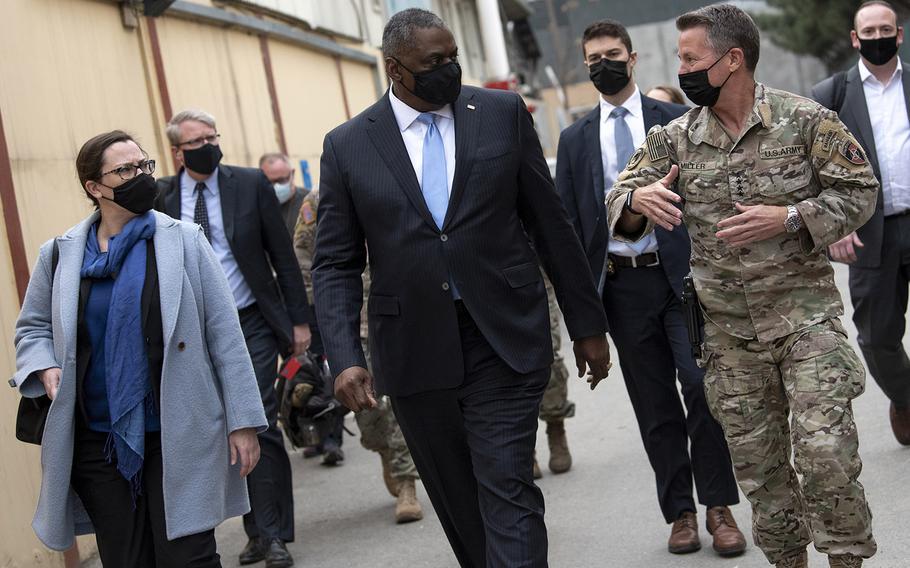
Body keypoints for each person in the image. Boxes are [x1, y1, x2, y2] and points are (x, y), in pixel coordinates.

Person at [312, 8, 610, 567]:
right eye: (435, 62)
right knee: (457, 497)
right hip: (414, 348)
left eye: (454, 57)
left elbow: (550, 223)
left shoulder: (499, 113)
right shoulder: (349, 144)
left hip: (504, 335)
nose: (450, 69)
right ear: (396, 69)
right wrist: (344, 357)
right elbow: (334, 263)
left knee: (507, 486)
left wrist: (588, 324)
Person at [607, 5, 878, 568]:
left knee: (826, 455)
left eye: (690, 58)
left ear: (733, 60)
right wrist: (636, 202)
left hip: (805, 324)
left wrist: (791, 218)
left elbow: (859, 191)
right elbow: (618, 197)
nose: (680, 69)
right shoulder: (674, 139)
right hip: (729, 338)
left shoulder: (805, 120)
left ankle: (847, 559)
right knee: (763, 472)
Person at [12, 130, 267, 566]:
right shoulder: (59, 255)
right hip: (98, 441)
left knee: (189, 556)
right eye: (125, 170)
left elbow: (224, 335)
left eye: (144, 166)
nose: (141, 176)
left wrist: (243, 421)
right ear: (94, 187)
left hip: (179, 431)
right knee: (127, 559)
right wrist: (42, 366)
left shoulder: (185, 241)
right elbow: (32, 327)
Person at [554, 18, 745, 557]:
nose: (602, 65)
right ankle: (679, 512)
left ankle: (718, 506)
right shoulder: (573, 141)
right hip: (622, 287)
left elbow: (710, 199)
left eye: (612, 54)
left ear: (633, 59)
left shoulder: (678, 121)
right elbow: (569, 229)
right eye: (592, 59)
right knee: (654, 402)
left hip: (683, 280)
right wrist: (584, 316)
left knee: (701, 387)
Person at [155, 110, 311, 568]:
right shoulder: (162, 196)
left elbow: (282, 255)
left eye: (212, 136)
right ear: (177, 151)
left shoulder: (248, 183)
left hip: (251, 322)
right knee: (224, 428)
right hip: (190, 335)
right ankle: (255, 529)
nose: (208, 144)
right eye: (197, 140)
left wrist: (298, 322)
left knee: (257, 416)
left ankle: (273, 533)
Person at [811, 0, 910, 446]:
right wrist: (834, 226)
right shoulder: (829, 95)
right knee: (876, 338)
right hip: (870, 234)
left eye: (884, 29)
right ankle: (906, 398)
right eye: (867, 31)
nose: (876, 37)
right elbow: (810, 172)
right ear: (855, 38)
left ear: (899, 33)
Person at [293, 191, 424, 523]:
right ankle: (384, 450)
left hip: (400, 313)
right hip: (353, 325)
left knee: (401, 405)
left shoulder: (393, 178)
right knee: (369, 410)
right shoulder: (319, 201)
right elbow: (305, 257)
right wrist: (319, 309)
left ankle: (407, 480)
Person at [532, 273, 574, 478]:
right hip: (489, 281)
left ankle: (556, 426)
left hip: (534, 275)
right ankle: (523, 448)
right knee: (503, 365)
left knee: (548, 356)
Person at [260, 152, 309, 235]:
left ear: (292, 174)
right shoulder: (257, 207)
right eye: (270, 182)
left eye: (281, 180)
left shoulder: (309, 201)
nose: (276, 186)